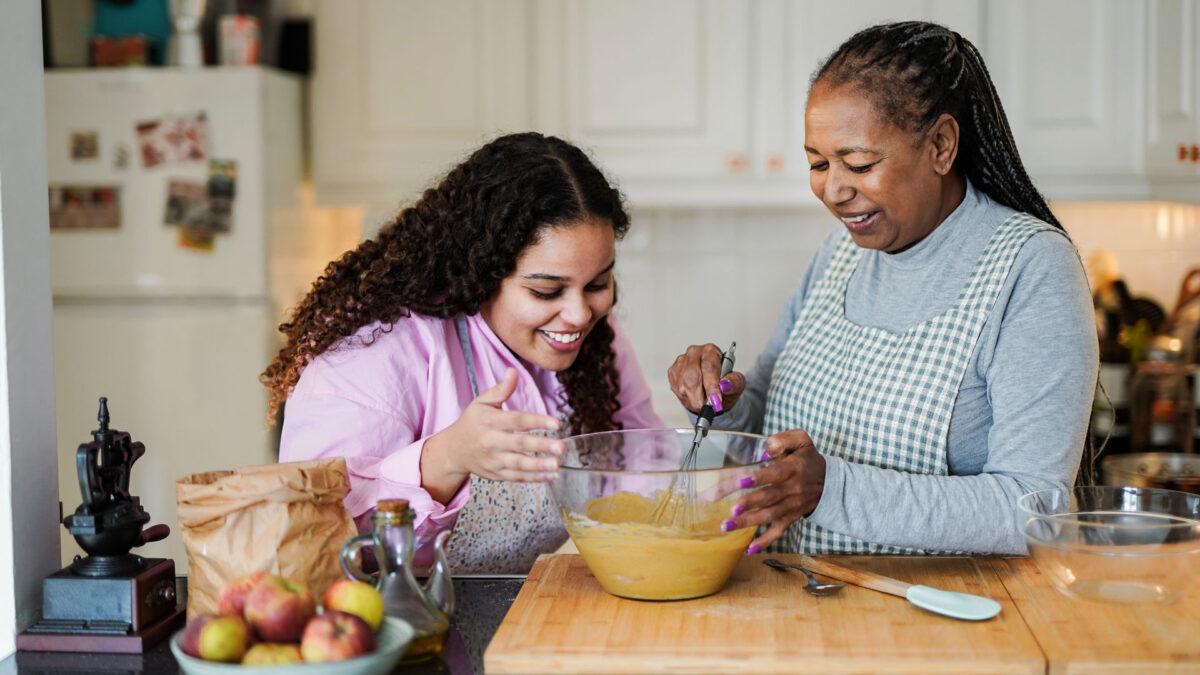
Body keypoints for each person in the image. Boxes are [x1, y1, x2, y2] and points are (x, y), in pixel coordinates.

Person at [668, 21, 1099, 556]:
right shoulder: (838, 255)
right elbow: (762, 421)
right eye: (818, 163)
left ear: (941, 145)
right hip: (796, 606)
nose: (834, 189)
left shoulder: (1029, 267)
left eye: (859, 163)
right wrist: (721, 402)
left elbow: (1034, 510)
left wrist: (831, 488)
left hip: (939, 625)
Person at [263, 132, 662, 574]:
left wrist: (720, 473)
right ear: (481, 274)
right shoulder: (374, 347)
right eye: (546, 290)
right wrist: (447, 457)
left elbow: (643, 465)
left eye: (598, 284)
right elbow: (315, 529)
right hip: (389, 625)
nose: (579, 313)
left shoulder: (593, 341)